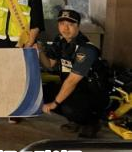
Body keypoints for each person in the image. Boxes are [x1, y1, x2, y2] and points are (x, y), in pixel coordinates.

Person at [39, 9, 110, 138]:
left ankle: (91, 122)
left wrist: (55, 103)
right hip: (75, 90)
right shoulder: (61, 41)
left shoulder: (86, 49)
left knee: (66, 106)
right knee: (42, 92)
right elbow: (49, 64)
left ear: (78, 26)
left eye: (70, 24)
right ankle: (76, 120)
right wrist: (39, 51)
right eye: (62, 24)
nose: (65, 28)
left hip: (91, 94)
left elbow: (71, 82)